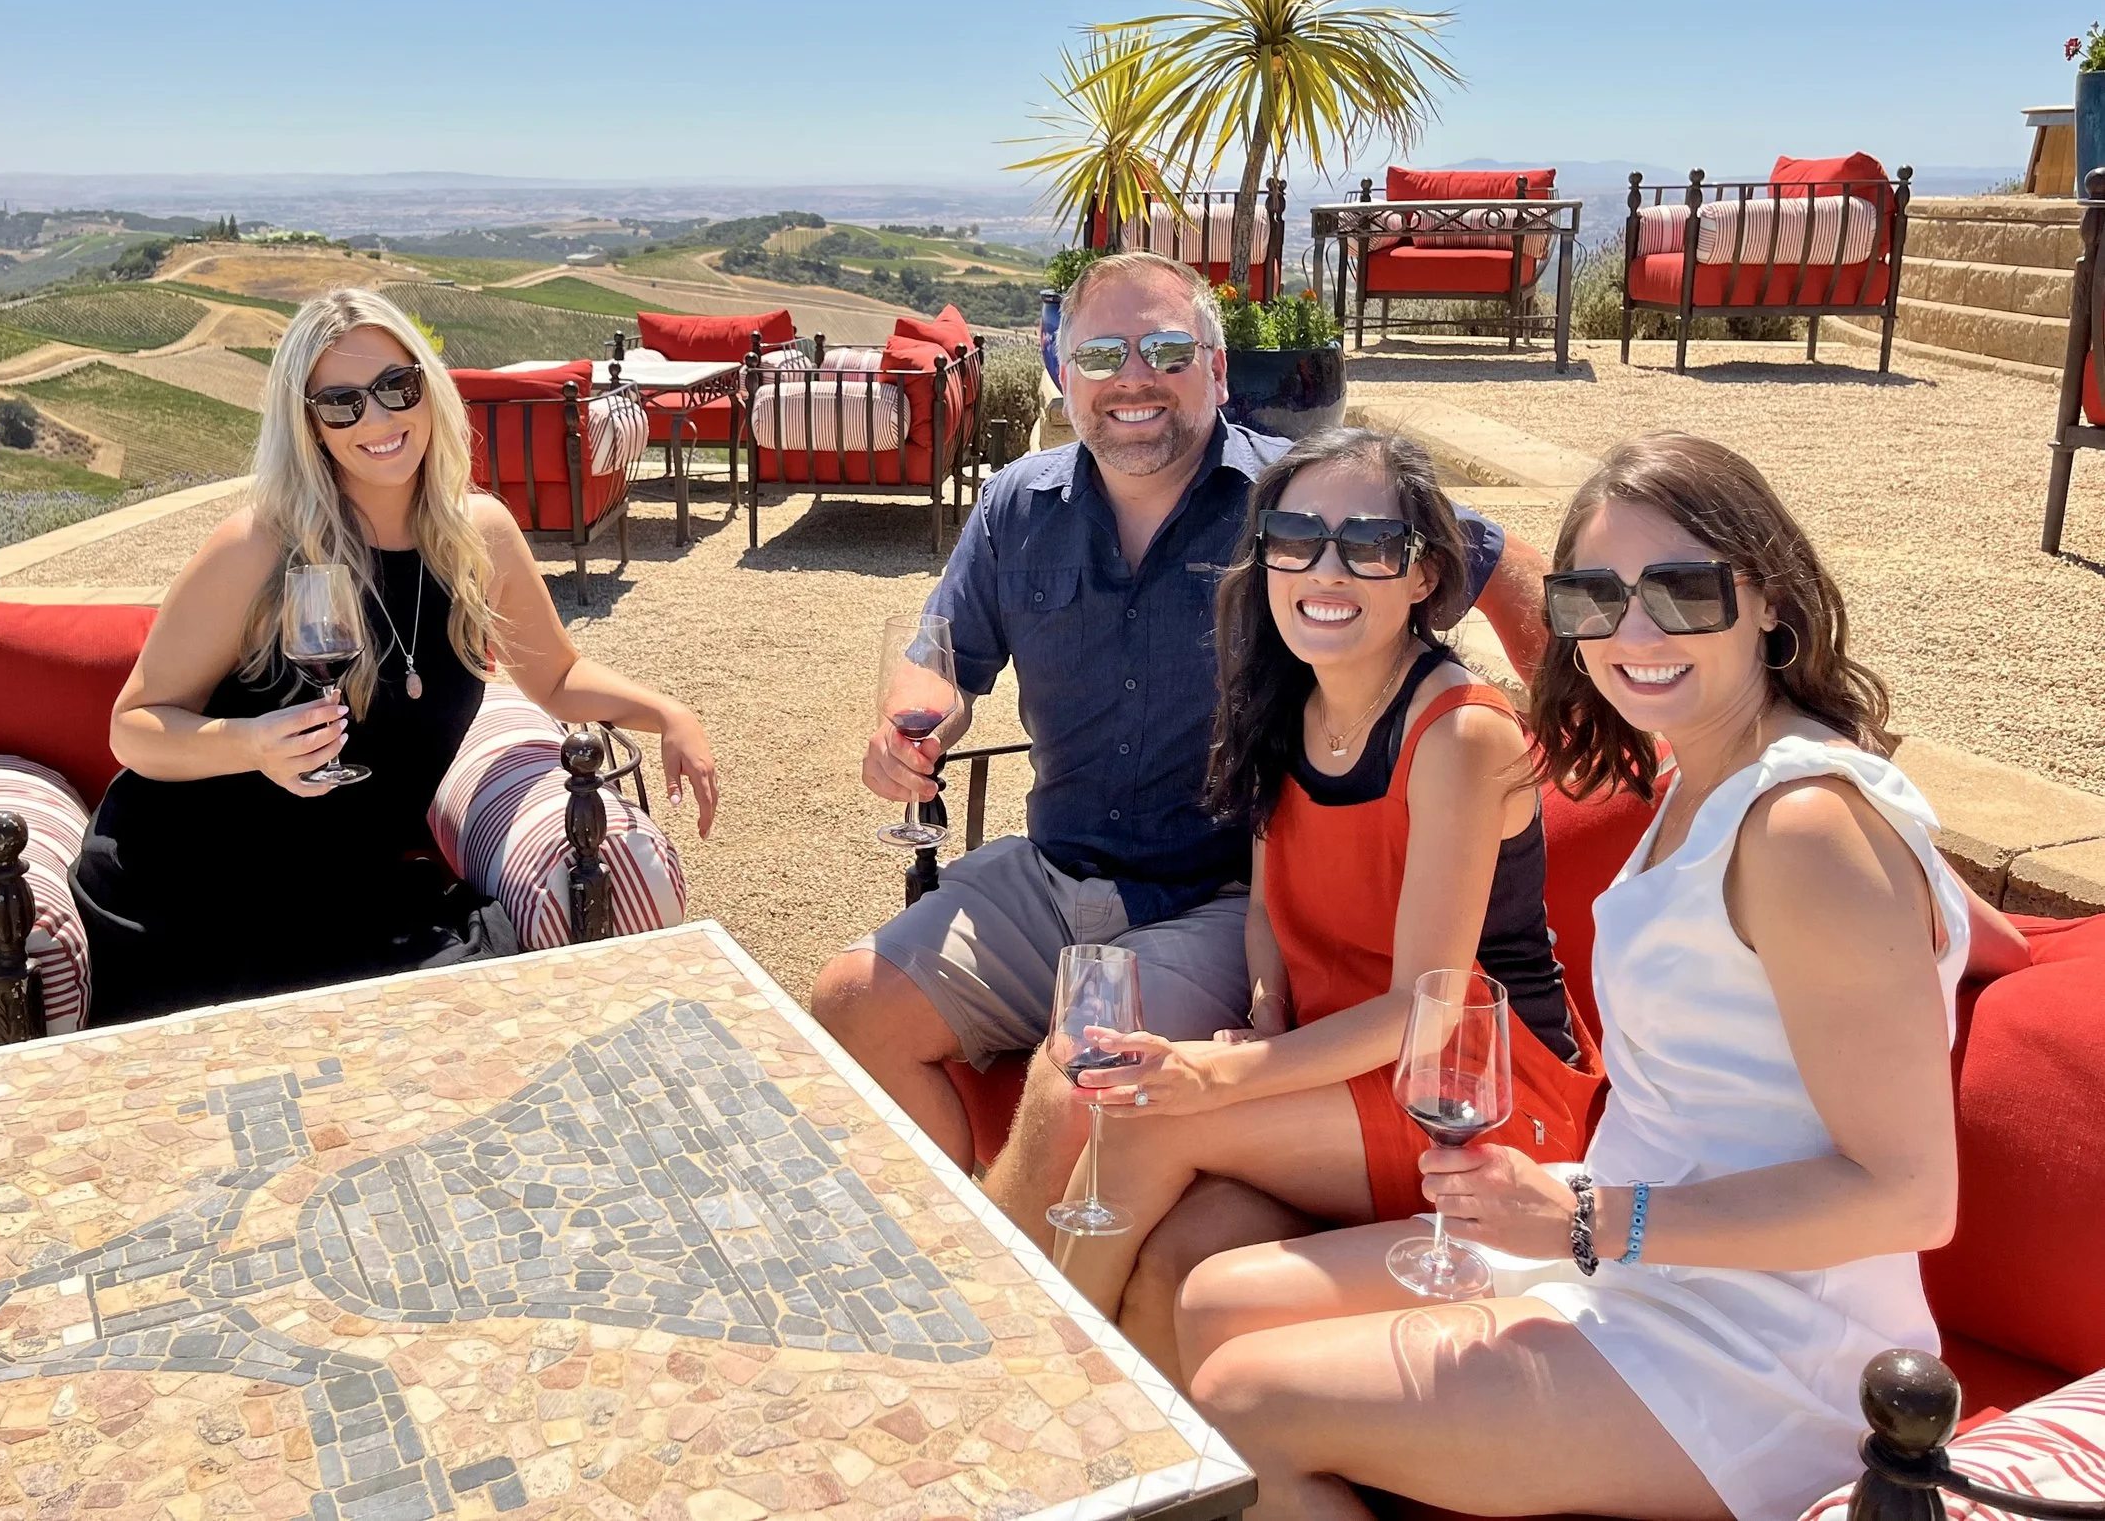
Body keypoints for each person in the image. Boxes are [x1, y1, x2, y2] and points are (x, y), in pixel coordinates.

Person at [1172, 431, 1978, 1521]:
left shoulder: (1802, 826)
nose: (1633, 633)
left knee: (1242, 1397)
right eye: (1594, 598)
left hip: (1763, 1345)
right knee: (1217, 1301)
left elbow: (1910, 1197)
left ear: (1770, 599)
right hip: (1629, 1260)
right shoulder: (1711, 780)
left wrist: (1590, 1219)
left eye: (1683, 591)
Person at [807, 251, 1548, 1254]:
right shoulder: (1017, 506)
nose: (1133, 379)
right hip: (1052, 869)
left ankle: (1000, 1299)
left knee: (1083, 1067)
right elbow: (940, 660)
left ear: (1217, 369)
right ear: (1062, 371)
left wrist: (1581, 741)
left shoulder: (1293, 499)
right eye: (1100, 354)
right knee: (852, 1001)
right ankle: (953, 1245)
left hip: (1218, 899)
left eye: (1165, 350)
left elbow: (1493, 558)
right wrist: (916, 723)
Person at [1052, 427, 1600, 1374]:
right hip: (1341, 1062)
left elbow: (1423, 1009)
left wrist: (1223, 1073)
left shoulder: (1458, 734)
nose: (1326, 568)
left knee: (1139, 1120)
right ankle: (1142, 1446)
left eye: (1371, 544)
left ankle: (1036, 1387)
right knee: (1175, 1261)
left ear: (1424, 575)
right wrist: (1266, 1015)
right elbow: (1269, 912)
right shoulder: (1287, 701)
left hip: (1475, 1091)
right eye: (1296, 537)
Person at [72, 286, 718, 1024]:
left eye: (395, 387)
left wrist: (669, 713)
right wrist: (250, 744)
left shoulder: (479, 536)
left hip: (347, 896)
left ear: (427, 388)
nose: (377, 419)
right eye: (340, 403)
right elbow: (134, 727)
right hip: (188, 895)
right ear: (309, 424)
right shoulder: (260, 545)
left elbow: (557, 676)